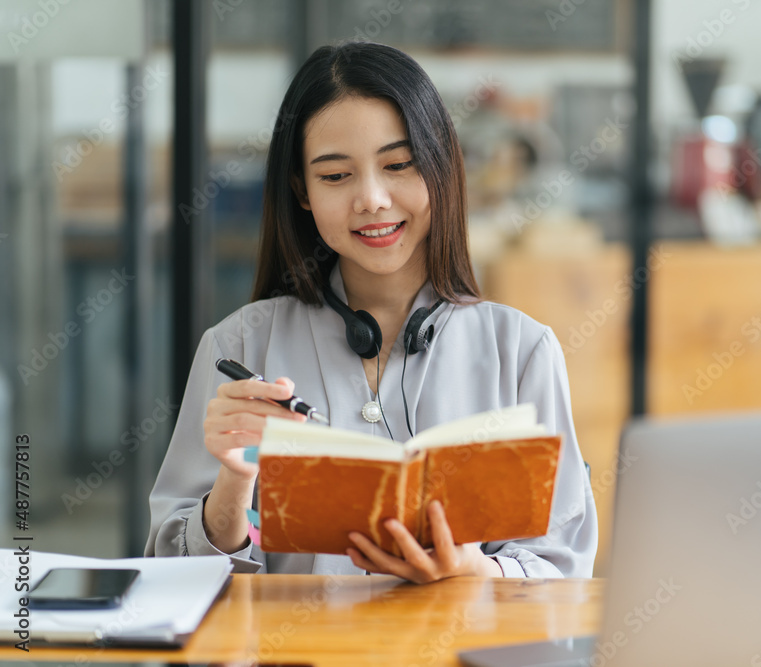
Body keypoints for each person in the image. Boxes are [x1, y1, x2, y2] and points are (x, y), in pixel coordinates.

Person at [145, 42, 597, 582]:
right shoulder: (238, 347)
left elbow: (564, 571)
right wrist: (233, 488)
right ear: (303, 192)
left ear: (440, 168)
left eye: (399, 165)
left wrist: (477, 572)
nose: (373, 198)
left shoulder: (521, 351)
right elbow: (170, 584)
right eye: (336, 176)